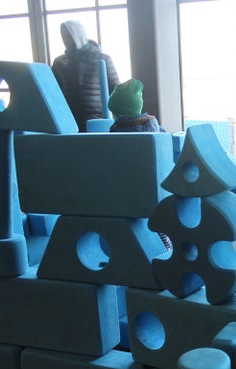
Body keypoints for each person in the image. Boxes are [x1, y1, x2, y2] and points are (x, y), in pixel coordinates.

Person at [107, 78, 171, 251]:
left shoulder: (117, 132)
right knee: (159, 225)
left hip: (131, 191)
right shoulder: (155, 126)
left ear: (118, 114)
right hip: (160, 188)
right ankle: (166, 249)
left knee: (132, 223)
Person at [51, 20, 120, 132]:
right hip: (69, 122)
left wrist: (121, 123)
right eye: (64, 36)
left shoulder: (103, 59)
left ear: (78, 35)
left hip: (99, 120)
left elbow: (116, 90)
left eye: (69, 35)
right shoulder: (59, 63)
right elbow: (54, 94)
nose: (67, 39)